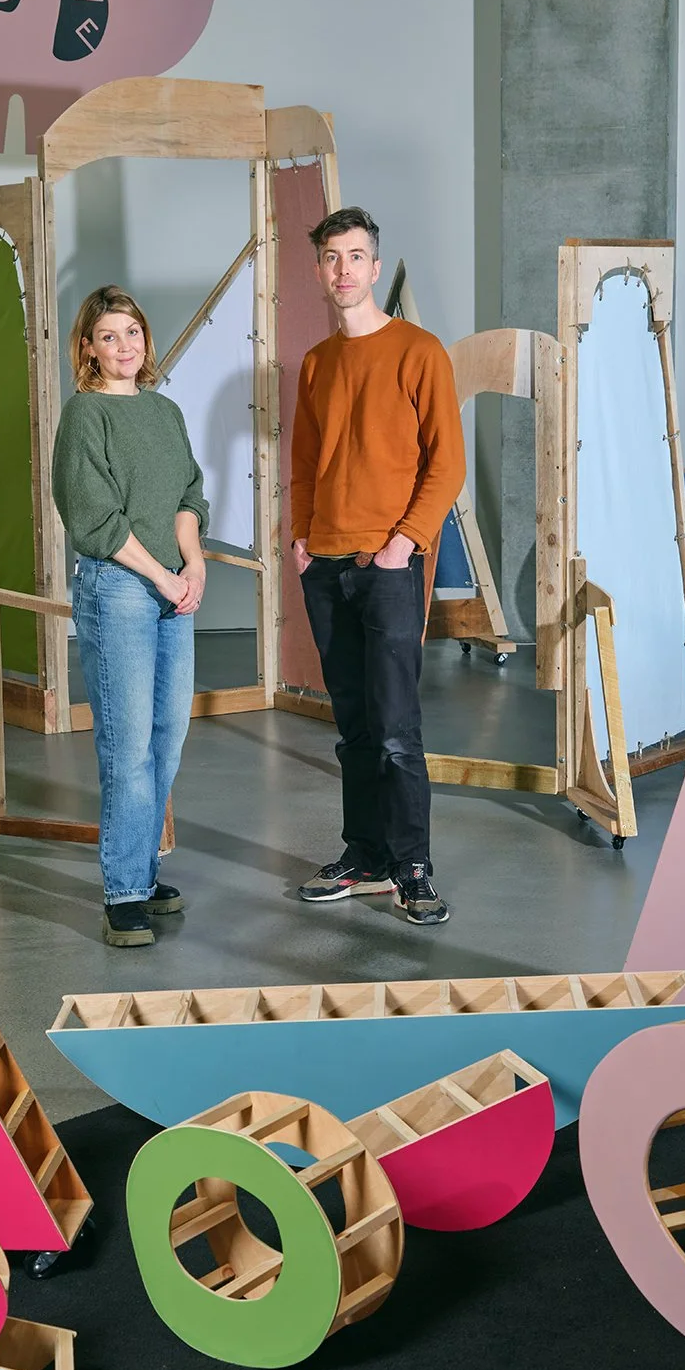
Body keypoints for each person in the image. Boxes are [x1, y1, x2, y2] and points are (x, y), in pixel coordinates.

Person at [290, 206, 464, 924]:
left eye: (356, 257)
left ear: (373, 264)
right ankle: (364, 855)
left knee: (397, 727)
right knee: (354, 724)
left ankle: (413, 864)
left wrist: (406, 541)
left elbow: (446, 465)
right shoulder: (316, 363)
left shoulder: (420, 352)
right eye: (331, 258)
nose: (343, 270)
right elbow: (303, 463)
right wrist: (300, 539)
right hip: (324, 565)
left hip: (389, 563)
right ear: (321, 268)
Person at [51, 285, 208, 947]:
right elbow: (95, 516)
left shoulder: (165, 413)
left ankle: (142, 873)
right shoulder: (84, 416)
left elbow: (188, 493)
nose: (124, 346)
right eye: (109, 335)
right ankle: (123, 894)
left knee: (167, 736)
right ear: (86, 347)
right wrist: (163, 576)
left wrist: (193, 566)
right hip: (119, 586)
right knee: (126, 743)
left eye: (133, 333)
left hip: (174, 586)